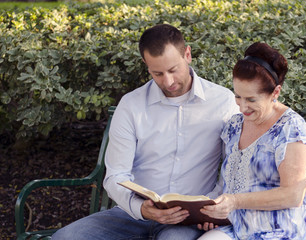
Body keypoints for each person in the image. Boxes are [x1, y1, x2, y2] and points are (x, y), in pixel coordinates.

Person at [52, 24, 239, 240]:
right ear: (146, 65)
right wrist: (142, 209)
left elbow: (233, 169)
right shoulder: (131, 105)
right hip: (131, 215)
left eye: (173, 70)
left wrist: (212, 207)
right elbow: (115, 176)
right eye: (157, 73)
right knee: (64, 238)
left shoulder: (223, 103)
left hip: (187, 219)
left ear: (187, 54)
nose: (167, 81)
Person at [197, 42, 306, 240]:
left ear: (275, 93)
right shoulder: (234, 125)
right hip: (243, 224)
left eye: (251, 99)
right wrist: (215, 212)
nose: (242, 107)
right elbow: (230, 183)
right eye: (238, 96)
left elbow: (293, 196)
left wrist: (235, 202)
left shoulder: (293, 131)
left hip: (289, 226)